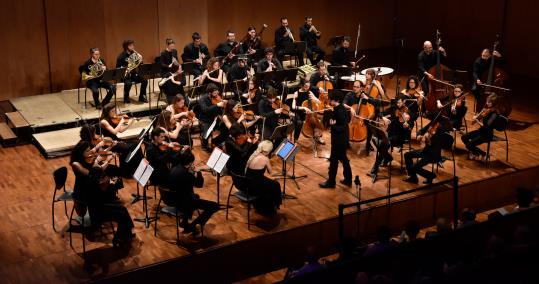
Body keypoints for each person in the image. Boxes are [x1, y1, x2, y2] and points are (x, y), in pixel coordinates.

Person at [167, 149, 219, 235]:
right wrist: (198, 172)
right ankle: (193, 225)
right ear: (189, 163)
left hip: (172, 198)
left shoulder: (174, 168)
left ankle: (185, 221)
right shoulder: (185, 174)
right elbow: (199, 184)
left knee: (195, 196)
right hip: (183, 202)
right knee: (214, 206)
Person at [319, 90, 352, 188]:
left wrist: (333, 126)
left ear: (336, 100)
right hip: (340, 139)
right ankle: (348, 179)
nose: (329, 100)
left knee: (334, 161)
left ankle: (331, 182)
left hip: (340, 140)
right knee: (343, 159)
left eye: (330, 99)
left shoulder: (340, 111)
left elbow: (343, 127)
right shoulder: (338, 108)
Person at [403, 118, 448, 185]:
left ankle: (430, 175)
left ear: (438, 124)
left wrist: (428, 137)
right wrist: (419, 135)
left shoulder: (441, 132)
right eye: (433, 124)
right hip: (425, 151)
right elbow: (421, 130)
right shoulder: (431, 125)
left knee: (415, 167)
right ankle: (413, 177)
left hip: (433, 154)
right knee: (407, 154)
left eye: (436, 125)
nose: (433, 126)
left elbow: (431, 143)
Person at [244, 140, 282, 216]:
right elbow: (271, 173)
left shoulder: (254, 155)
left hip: (248, 183)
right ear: (269, 150)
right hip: (256, 185)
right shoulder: (265, 159)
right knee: (276, 185)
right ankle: (273, 206)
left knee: (270, 183)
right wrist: (278, 176)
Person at [461, 93, 499, 160]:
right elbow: (476, 121)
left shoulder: (494, 113)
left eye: (489, 102)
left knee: (469, 145)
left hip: (487, 134)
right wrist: (476, 117)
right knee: (464, 137)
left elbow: (486, 127)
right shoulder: (486, 110)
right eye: (487, 101)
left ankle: (483, 154)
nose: (487, 103)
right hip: (481, 131)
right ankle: (476, 152)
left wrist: (478, 121)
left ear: (494, 103)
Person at [198, 84, 227, 150]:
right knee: (207, 133)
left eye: (217, 92)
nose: (216, 95)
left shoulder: (216, 96)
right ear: (209, 93)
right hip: (205, 119)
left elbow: (220, 108)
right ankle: (204, 145)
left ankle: (216, 141)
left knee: (225, 128)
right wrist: (217, 105)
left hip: (215, 118)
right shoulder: (202, 99)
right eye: (214, 93)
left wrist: (224, 103)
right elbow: (205, 110)